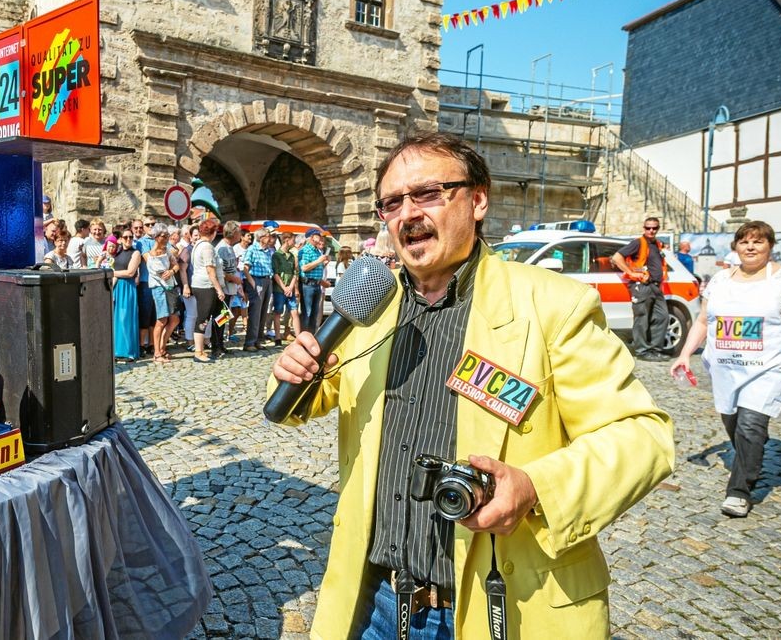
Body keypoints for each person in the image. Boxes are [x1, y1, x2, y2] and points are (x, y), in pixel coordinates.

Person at [270, 132, 674, 639]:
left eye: (428, 194)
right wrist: (293, 373)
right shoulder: (372, 310)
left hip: (497, 602)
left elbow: (642, 436)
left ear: (478, 200)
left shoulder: (552, 306)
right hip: (376, 601)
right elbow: (314, 397)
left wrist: (534, 488)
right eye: (392, 203)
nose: (407, 214)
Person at [671, 221, 781, 518]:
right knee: (736, 425)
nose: (750, 247)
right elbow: (703, 322)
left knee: (750, 424)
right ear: (736, 247)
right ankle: (751, 450)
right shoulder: (721, 279)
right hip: (727, 370)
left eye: (758, 242)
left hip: (768, 368)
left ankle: (739, 491)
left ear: (770, 246)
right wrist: (685, 354)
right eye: (744, 241)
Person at [611, 217, 669, 361]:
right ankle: (642, 351)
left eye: (654, 228)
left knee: (662, 317)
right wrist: (631, 273)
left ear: (658, 229)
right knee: (642, 319)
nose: (651, 230)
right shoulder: (638, 243)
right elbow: (617, 257)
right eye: (648, 228)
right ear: (644, 228)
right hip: (642, 286)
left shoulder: (658, 244)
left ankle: (655, 350)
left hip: (655, 286)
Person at [190, 219, 226, 362]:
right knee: (203, 318)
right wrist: (219, 290)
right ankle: (199, 352)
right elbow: (210, 270)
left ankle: (217, 345)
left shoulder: (199, 245)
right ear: (213, 232)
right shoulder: (207, 247)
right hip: (206, 286)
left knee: (220, 315)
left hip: (202, 284)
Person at [145, 225, 180, 363]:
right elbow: (159, 272)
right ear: (156, 237)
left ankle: (162, 347)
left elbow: (175, 265)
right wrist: (168, 270)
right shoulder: (151, 255)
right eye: (163, 236)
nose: (166, 238)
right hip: (159, 288)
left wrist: (172, 271)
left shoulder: (167, 251)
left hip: (170, 287)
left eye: (167, 236)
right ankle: (157, 353)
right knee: (162, 320)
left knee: (175, 319)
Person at [242, 228, 275, 352]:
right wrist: (252, 282)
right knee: (255, 313)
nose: (270, 238)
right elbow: (245, 268)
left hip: (267, 280)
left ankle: (258, 340)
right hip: (257, 280)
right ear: (261, 238)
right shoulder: (252, 249)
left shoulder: (268, 251)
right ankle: (249, 342)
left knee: (263, 313)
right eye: (267, 236)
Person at [109, 234, 140, 361]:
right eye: (125, 237)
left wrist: (110, 273)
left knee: (126, 318)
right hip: (117, 287)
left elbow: (130, 272)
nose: (128, 239)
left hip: (127, 287)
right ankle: (116, 351)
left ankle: (128, 352)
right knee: (116, 319)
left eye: (130, 237)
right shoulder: (118, 252)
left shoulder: (136, 253)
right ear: (120, 239)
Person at [270, 231, 301, 343]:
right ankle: (277, 337)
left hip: (290, 289)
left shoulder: (292, 256)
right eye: (293, 239)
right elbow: (275, 273)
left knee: (294, 312)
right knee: (278, 312)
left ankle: (298, 338)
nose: (294, 242)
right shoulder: (276, 255)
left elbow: (295, 272)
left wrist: (291, 286)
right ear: (287, 240)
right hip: (279, 289)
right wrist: (284, 288)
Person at [132, 218, 157, 355]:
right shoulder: (141, 242)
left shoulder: (157, 239)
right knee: (145, 315)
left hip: (158, 282)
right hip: (145, 281)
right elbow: (149, 260)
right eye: (148, 225)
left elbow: (173, 254)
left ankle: (152, 344)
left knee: (155, 315)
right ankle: (142, 345)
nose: (150, 226)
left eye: (153, 224)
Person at [298, 228, 329, 331]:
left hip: (316, 284)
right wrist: (319, 261)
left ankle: (311, 334)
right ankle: (305, 335)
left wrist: (323, 265)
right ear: (311, 237)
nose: (320, 238)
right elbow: (304, 268)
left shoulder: (316, 251)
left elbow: (315, 268)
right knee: (307, 312)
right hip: (308, 285)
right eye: (318, 235)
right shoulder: (305, 250)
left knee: (314, 313)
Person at [218, 221, 244, 342]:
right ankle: (217, 342)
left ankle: (221, 341)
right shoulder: (222, 248)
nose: (241, 235)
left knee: (226, 316)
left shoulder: (230, 248)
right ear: (233, 233)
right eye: (239, 232)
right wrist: (234, 279)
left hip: (231, 289)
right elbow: (220, 271)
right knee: (221, 317)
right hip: (224, 289)